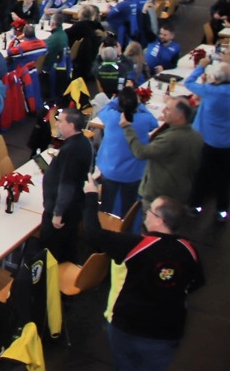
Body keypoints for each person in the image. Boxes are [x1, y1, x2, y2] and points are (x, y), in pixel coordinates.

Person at [85, 180, 204, 371]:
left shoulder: (135, 245)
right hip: (167, 333)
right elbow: (196, 283)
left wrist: (91, 196)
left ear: (159, 220)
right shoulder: (190, 251)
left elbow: (93, 234)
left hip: (127, 327)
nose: (146, 212)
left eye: (150, 210)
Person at [123, 95, 204, 209]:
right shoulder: (197, 136)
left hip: (159, 198)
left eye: (168, 109)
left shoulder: (170, 139)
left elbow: (141, 152)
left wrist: (127, 128)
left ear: (179, 115)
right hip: (182, 193)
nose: (163, 110)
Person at [41, 109, 93, 263]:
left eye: (60, 121)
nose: (56, 123)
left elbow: (67, 185)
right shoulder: (84, 142)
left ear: (71, 125)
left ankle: (50, 282)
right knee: (68, 245)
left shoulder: (71, 150)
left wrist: (58, 213)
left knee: (52, 252)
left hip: (63, 212)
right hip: (75, 206)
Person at [93, 88, 155, 218]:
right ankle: (126, 226)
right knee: (129, 204)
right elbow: (154, 123)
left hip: (110, 170)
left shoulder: (111, 117)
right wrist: (138, 104)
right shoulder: (144, 119)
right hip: (133, 173)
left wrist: (121, 98)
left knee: (107, 204)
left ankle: (104, 226)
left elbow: (104, 108)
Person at [187, 59, 230, 222]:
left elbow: (189, 82)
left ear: (217, 78)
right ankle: (222, 210)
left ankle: (196, 206)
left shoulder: (209, 91)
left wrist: (201, 66)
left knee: (202, 174)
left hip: (208, 141)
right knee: (225, 178)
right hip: (227, 143)